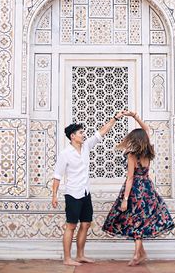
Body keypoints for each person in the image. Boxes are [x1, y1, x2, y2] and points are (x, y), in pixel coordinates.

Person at [102, 110, 175, 266]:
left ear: (134, 140)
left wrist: (125, 199)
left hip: (135, 189)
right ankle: (140, 253)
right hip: (147, 188)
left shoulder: (132, 155)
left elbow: (130, 178)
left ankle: (138, 253)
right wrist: (135, 117)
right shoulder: (148, 151)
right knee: (140, 220)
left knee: (136, 220)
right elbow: (147, 130)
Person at [52, 111, 124, 266]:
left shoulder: (86, 147)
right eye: (80, 133)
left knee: (85, 224)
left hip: (85, 193)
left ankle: (80, 255)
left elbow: (102, 131)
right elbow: (57, 176)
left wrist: (115, 118)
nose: (83, 135)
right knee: (71, 226)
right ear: (73, 136)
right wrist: (54, 195)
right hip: (72, 194)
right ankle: (67, 258)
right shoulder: (65, 154)